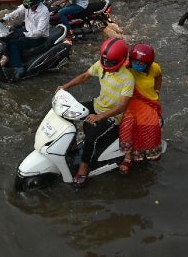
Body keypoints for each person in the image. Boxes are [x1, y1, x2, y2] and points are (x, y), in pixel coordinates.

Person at [55, 38, 135, 187]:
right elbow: (85, 76)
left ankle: (84, 166)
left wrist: (100, 117)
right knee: (66, 111)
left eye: (111, 63)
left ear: (121, 59)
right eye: (105, 61)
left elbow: (122, 106)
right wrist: (65, 87)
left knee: (91, 136)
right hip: (98, 104)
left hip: (113, 116)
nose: (107, 65)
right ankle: (72, 145)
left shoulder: (128, 79)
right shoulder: (101, 65)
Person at [118, 43, 163, 174]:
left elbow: (159, 77)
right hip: (130, 102)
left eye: (141, 63)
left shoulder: (155, 68)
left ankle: (150, 151)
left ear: (148, 64)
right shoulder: (126, 67)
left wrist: (157, 92)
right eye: (135, 61)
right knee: (127, 125)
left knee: (151, 126)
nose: (137, 64)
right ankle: (128, 157)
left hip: (149, 103)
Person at [1, 0, 50, 80]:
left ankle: (19, 69)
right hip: (27, 31)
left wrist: (23, 34)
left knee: (12, 44)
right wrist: (3, 20)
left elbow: (39, 32)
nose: (26, 0)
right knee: (8, 34)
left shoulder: (44, 11)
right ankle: (12, 58)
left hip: (38, 38)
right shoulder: (27, 5)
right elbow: (16, 13)